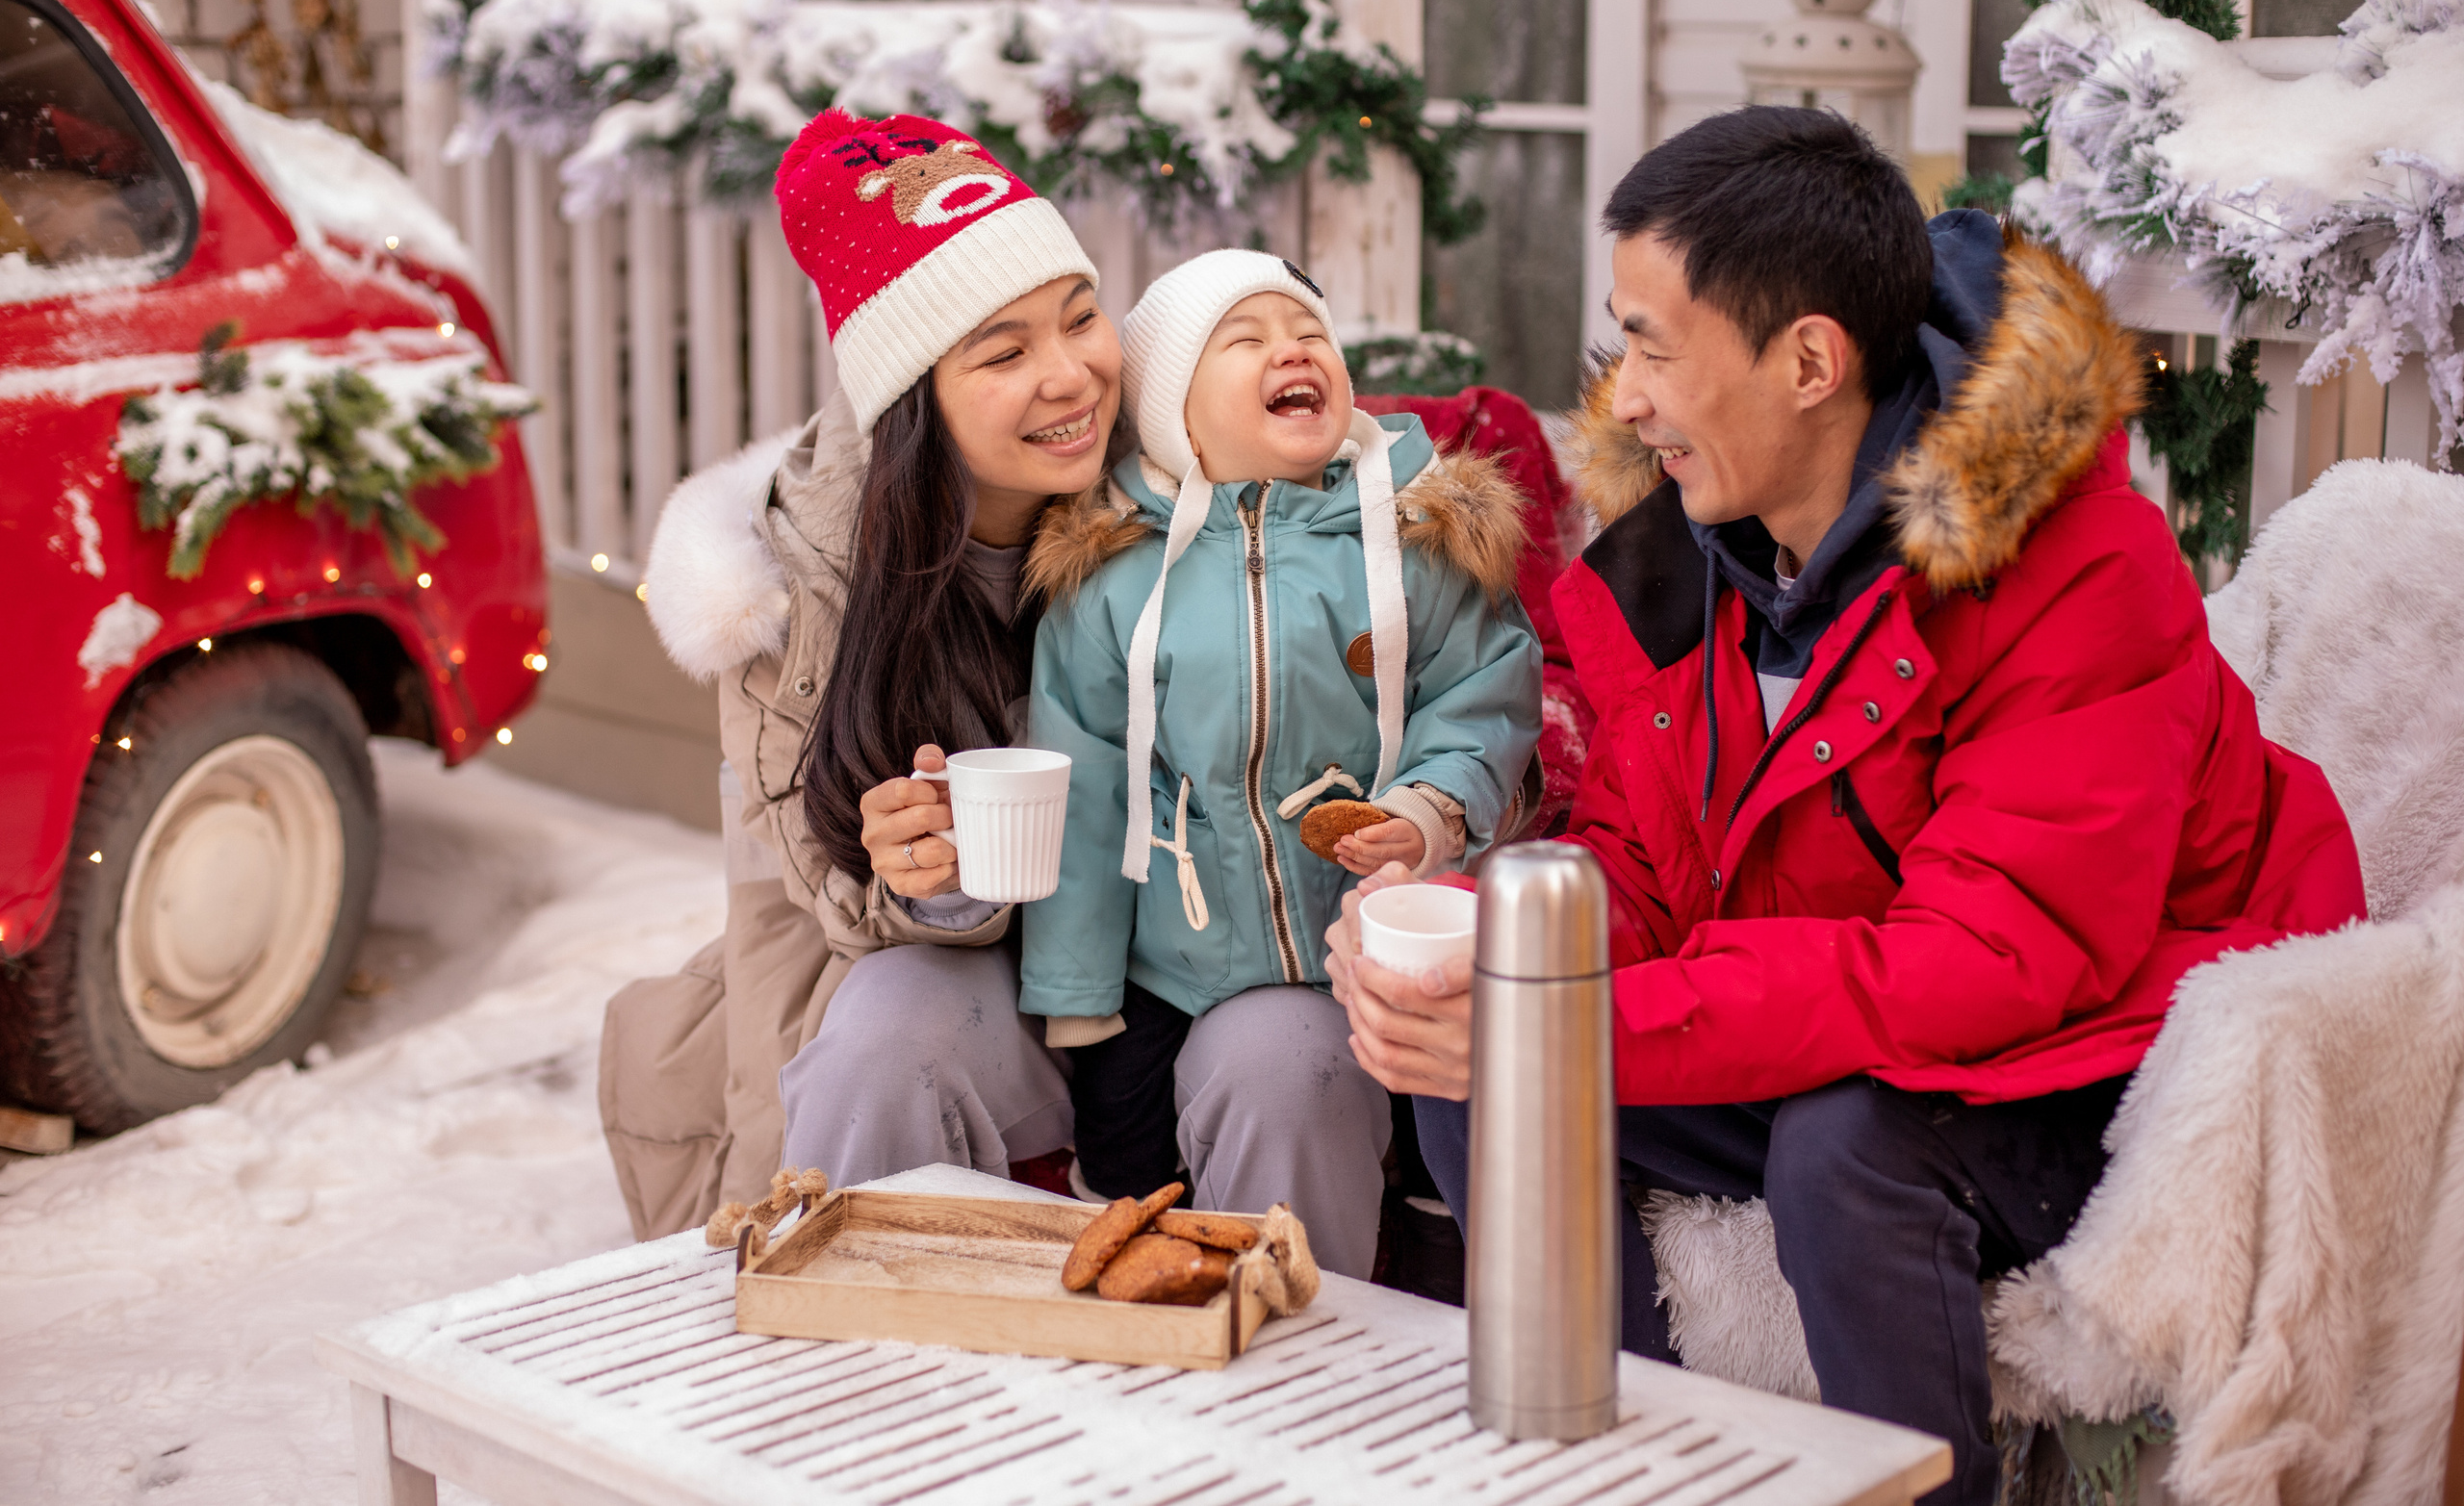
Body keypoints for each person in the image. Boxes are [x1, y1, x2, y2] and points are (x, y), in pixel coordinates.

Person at [1323, 106, 2366, 1504]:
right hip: (1854, 1019)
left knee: (1842, 1149)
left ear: (1810, 361)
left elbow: (1985, 963)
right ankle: (1620, 1470)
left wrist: (1575, 1011)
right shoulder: (1692, 562)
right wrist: (1486, 945)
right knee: (1491, 1066)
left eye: (1654, 347)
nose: (1624, 401)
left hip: (2114, 1046)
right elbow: (1644, 864)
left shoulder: (2074, 569)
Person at [600, 108, 1119, 1238]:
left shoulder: (1166, 484)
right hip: (949, 977)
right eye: (1005, 353)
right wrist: (927, 877)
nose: (1071, 374)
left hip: (1167, 948)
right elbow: (829, 897)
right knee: (890, 1039)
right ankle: (849, 1330)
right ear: (913, 396)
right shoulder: (796, 588)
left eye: (1082, 318)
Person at [1018, 251, 1544, 1262]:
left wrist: (1428, 811)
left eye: (1309, 333)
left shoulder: (1415, 539)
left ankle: (1412, 1282)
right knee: (1122, 1171)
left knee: (1436, 1159)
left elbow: (1485, 696)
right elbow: (1083, 794)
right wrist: (1077, 998)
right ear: (1177, 413)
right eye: (1246, 339)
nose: (1292, 350)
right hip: (1168, 961)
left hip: (1367, 946)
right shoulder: (1115, 577)